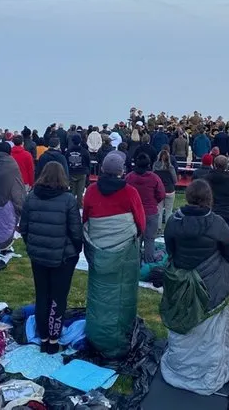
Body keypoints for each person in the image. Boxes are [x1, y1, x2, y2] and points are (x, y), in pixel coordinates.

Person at [160, 180, 229, 395]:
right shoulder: (217, 223)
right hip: (209, 284)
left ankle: (186, 366)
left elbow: (170, 249)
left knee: (189, 323)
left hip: (183, 281)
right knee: (208, 328)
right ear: (208, 199)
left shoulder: (174, 221)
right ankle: (202, 370)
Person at [82, 152, 145, 359]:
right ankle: (118, 339)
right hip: (124, 251)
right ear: (122, 171)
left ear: (101, 169)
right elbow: (140, 222)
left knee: (100, 293)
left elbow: (86, 219)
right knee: (121, 295)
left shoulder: (91, 191)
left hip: (98, 251)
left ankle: (97, 335)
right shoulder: (130, 192)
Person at [19, 162, 82, 354]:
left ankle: (45, 336)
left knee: (42, 295)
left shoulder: (31, 198)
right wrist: (75, 250)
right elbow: (76, 231)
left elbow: (24, 228)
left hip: (40, 256)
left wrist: (33, 246)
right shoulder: (68, 199)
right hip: (62, 257)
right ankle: (52, 339)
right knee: (58, 298)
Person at [126, 153, 165, 262]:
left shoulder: (129, 177)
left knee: (136, 240)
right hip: (150, 212)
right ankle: (149, 263)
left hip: (134, 213)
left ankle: (135, 263)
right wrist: (153, 202)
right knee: (149, 240)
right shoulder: (154, 178)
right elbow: (161, 194)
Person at [0, 142, 25, 253]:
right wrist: (21, 199)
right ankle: (5, 246)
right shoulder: (11, 163)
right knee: (8, 223)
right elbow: (16, 183)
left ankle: (3, 246)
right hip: (8, 198)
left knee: (0, 222)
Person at [204, 155, 229, 235]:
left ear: (214, 165)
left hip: (212, 213)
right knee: (228, 241)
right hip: (228, 214)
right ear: (226, 166)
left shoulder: (206, 179)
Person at [65, 134, 91, 209]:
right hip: (82, 173)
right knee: (80, 192)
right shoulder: (85, 151)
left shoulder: (68, 151)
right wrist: (88, 173)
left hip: (71, 172)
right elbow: (88, 162)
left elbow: (66, 162)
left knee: (72, 191)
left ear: (72, 141)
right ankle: (79, 207)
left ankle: (71, 206)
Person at [153, 150, 177, 227]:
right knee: (168, 211)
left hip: (159, 190)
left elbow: (153, 178)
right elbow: (175, 180)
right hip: (169, 190)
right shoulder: (171, 167)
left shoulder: (155, 166)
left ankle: (159, 228)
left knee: (159, 211)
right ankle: (168, 228)